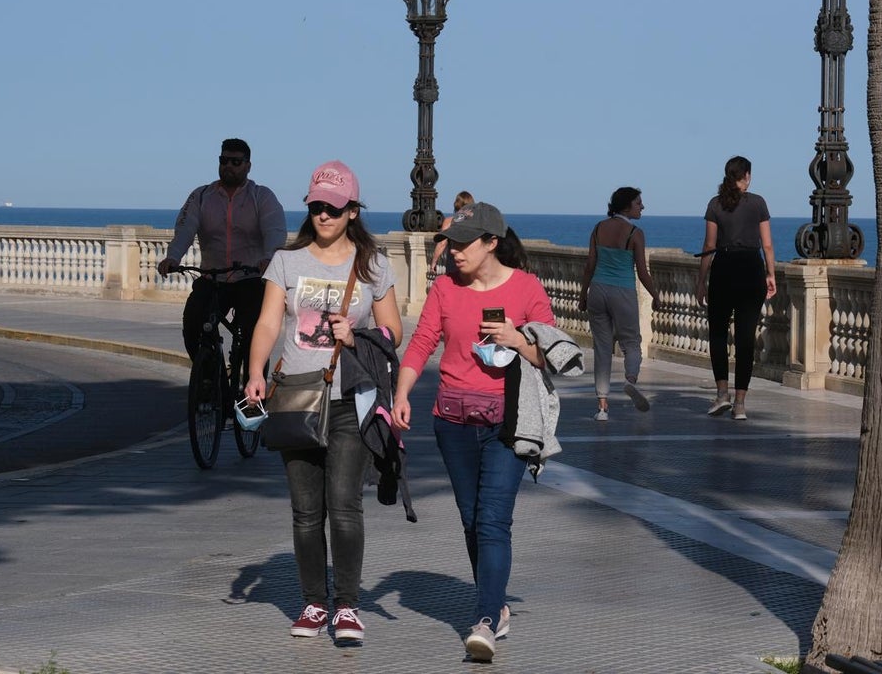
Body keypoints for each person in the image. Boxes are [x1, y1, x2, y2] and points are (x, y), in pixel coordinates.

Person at [244, 160, 403, 642]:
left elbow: (393, 332)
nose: (324, 216)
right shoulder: (287, 262)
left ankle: (348, 606)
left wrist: (355, 336)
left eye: (333, 208)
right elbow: (269, 323)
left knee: (345, 505)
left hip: (351, 398)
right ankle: (314, 603)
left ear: (352, 211)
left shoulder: (373, 264)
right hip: (296, 396)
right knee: (306, 511)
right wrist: (255, 372)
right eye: (316, 207)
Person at [391, 202, 554, 663]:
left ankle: (485, 618)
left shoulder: (526, 289)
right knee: (470, 519)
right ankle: (496, 603)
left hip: (508, 423)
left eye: (463, 244)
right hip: (453, 421)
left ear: (491, 244)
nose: (452, 251)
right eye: (450, 242)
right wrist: (401, 395)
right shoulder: (444, 288)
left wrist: (519, 340)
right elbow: (421, 343)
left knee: (492, 520)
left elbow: (552, 353)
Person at [157, 138, 287, 384]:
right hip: (212, 278)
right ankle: (209, 377)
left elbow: (274, 230)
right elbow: (185, 229)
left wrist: (269, 258)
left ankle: (251, 389)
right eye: (224, 160)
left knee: (251, 336)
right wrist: (173, 257)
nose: (229, 166)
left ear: (248, 166)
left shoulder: (262, 197)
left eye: (235, 162)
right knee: (193, 325)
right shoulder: (201, 196)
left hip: (250, 279)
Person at [694, 155, 776, 421]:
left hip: (724, 268)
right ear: (747, 175)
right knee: (745, 338)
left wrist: (701, 281)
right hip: (751, 268)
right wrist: (770, 274)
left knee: (717, 334)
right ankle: (740, 404)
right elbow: (767, 245)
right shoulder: (758, 203)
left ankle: (722, 395)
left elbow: (709, 246)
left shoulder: (715, 204)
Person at [578, 187, 658, 421]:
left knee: (602, 348)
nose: (642, 207)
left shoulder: (598, 229)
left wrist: (583, 294)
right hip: (622, 291)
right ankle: (631, 380)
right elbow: (642, 272)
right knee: (631, 343)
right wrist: (656, 295)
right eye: (638, 203)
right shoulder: (635, 233)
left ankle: (602, 406)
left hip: (598, 290)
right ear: (626, 206)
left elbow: (590, 265)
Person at [428, 190, 475, 275]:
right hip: (472, 262)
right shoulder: (475, 222)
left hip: (454, 262)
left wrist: (433, 262)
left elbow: (442, 243)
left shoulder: (450, 221)